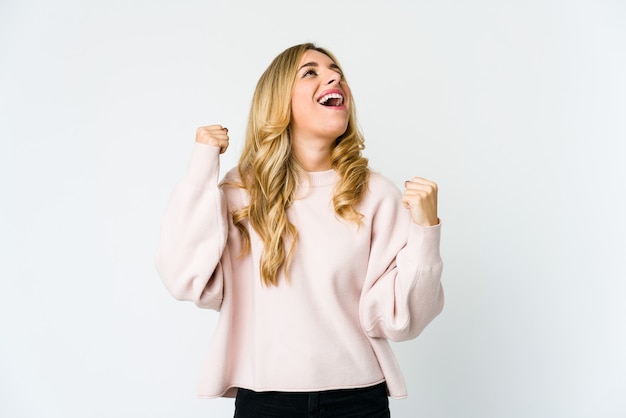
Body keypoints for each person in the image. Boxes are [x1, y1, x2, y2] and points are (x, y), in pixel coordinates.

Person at [156, 42, 444, 418]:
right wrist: (201, 167)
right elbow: (184, 278)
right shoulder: (240, 192)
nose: (333, 76)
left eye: (335, 70)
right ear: (278, 100)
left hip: (358, 401)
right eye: (310, 71)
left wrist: (426, 230)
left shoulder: (376, 194)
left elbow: (400, 320)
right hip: (266, 401)